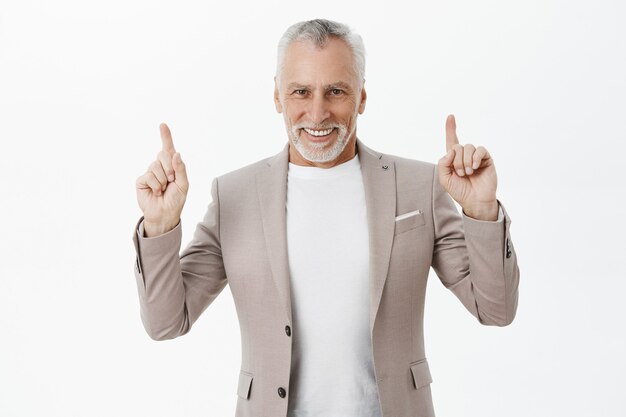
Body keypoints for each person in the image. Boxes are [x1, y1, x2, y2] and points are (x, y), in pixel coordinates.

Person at [132, 18, 519, 417]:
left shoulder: (419, 185)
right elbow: (165, 322)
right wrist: (160, 226)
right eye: (301, 91)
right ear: (278, 97)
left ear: (362, 97)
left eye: (336, 91)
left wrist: (481, 211)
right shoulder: (234, 196)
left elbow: (496, 309)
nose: (317, 113)